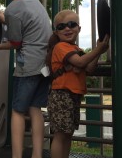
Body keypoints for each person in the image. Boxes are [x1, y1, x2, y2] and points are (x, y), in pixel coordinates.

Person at [0, 0, 52, 158]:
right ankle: (37, 155)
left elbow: (16, 43)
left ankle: (16, 155)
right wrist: (6, 19)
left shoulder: (13, 8)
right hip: (44, 67)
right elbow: (27, 23)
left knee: (17, 111)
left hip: (28, 68)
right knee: (35, 109)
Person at [46, 10, 109, 158]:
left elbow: (89, 68)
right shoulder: (60, 47)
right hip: (61, 95)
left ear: (79, 29)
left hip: (73, 95)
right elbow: (80, 62)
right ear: (56, 32)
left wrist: (98, 50)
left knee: (68, 134)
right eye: (61, 27)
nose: (67, 28)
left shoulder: (77, 50)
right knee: (60, 135)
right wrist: (98, 49)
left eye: (72, 24)